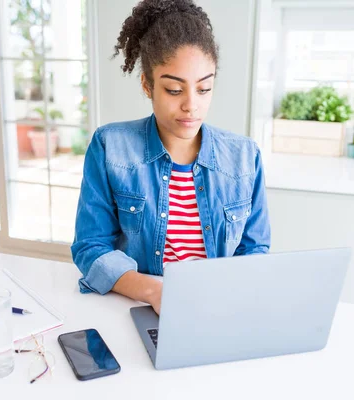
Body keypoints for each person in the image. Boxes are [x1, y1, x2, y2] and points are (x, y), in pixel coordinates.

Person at [71, 0, 270, 315]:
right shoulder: (110, 147)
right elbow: (90, 247)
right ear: (147, 85)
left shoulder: (245, 157)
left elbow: (254, 250)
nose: (191, 106)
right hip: (137, 307)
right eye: (175, 91)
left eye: (204, 89)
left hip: (219, 310)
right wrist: (155, 292)